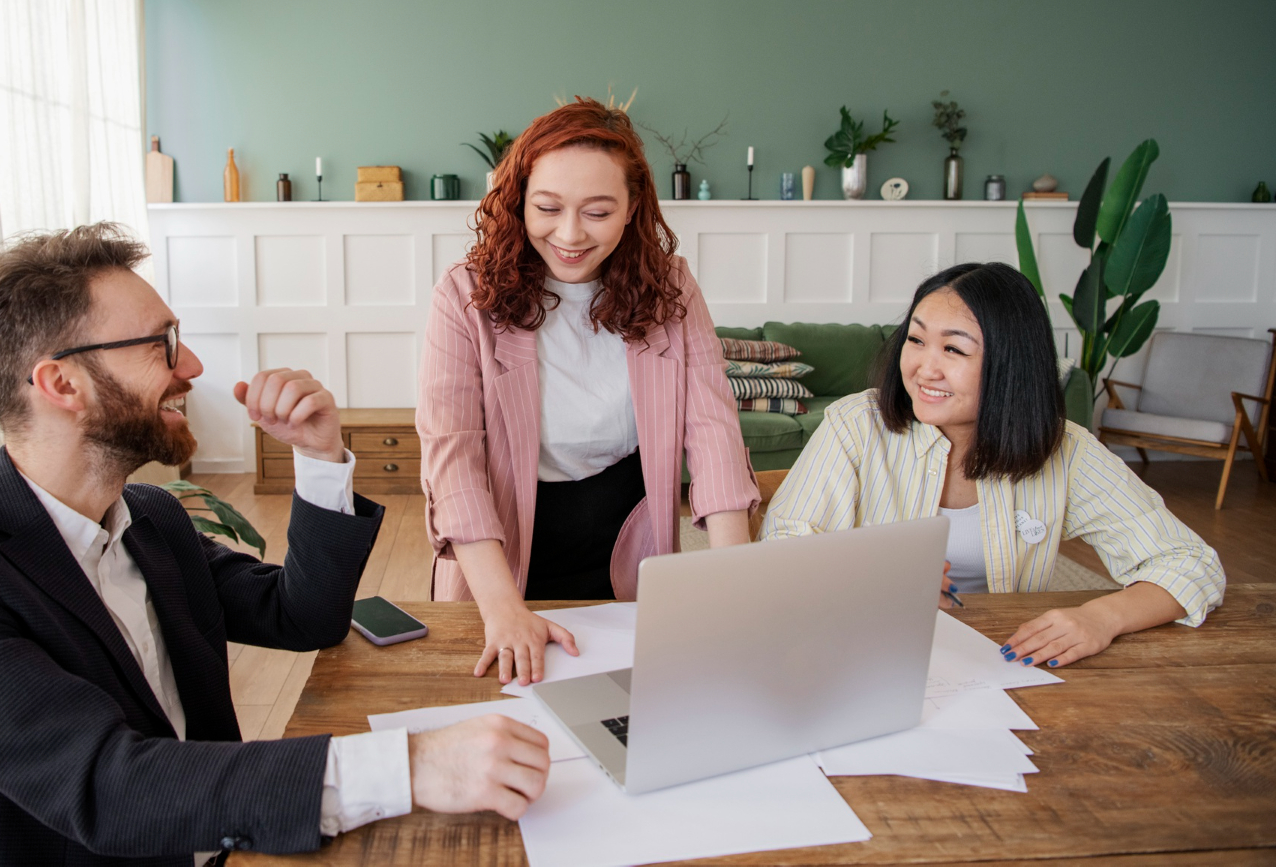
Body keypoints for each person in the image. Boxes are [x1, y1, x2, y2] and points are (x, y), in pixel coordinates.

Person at [0, 224, 550, 867]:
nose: (189, 364)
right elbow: (105, 786)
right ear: (60, 382)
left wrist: (317, 453)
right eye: (159, 343)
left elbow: (301, 616)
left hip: (220, 837)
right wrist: (410, 766)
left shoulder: (149, 519)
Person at [418, 99, 759, 688]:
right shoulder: (465, 296)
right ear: (519, 201)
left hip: (629, 539)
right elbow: (454, 463)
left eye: (598, 212)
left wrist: (734, 584)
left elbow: (714, 434)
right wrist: (502, 609)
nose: (570, 235)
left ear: (632, 210)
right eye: (547, 208)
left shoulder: (671, 287)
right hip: (500, 557)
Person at [760, 261, 1225, 667]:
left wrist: (1102, 617)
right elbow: (780, 553)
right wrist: (873, 584)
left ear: (1011, 364)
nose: (925, 367)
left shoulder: (1067, 451)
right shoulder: (856, 424)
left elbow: (1189, 563)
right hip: (865, 651)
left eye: (954, 349)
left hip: (998, 655)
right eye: (916, 340)